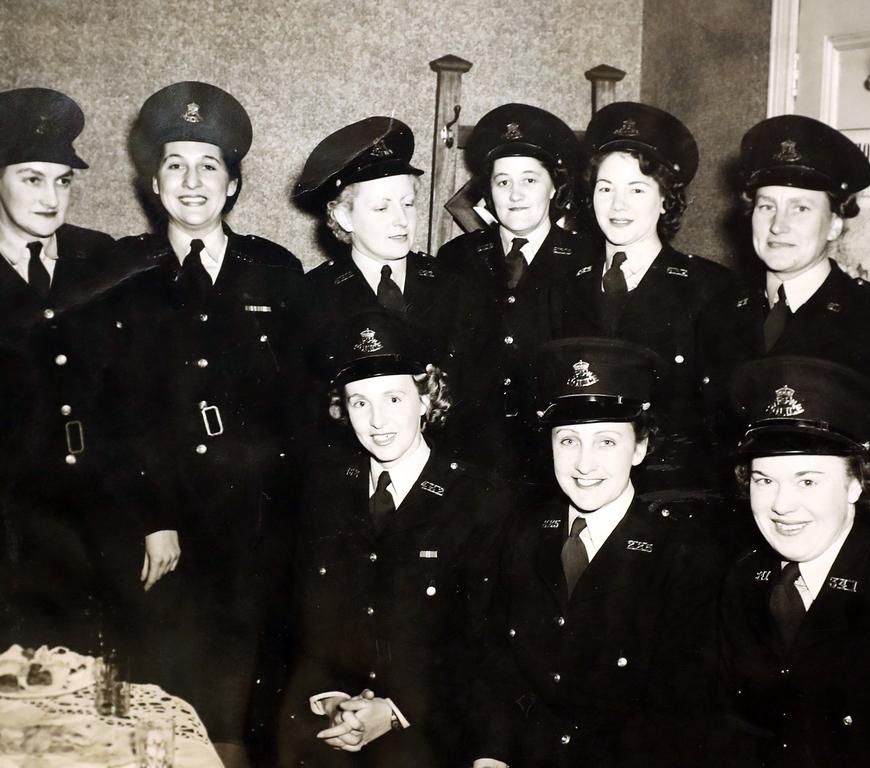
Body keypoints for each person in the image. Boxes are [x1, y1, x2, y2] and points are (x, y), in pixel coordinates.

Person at [104, 81, 306, 763]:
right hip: (166, 523)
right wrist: (151, 518)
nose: (192, 182)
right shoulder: (119, 273)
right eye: (175, 165)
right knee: (165, 695)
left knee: (254, 709)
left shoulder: (275, 272)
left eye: (209, 166)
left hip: (260, 521)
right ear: (154, 182)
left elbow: (299, 406)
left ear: (233, 184)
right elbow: (114, 413)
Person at [470, 337, 720, 768]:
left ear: (640, 448)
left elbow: (681, 712)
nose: (584, 464)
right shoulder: (521, 532)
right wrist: (492, 754)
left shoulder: (683, 556)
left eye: (606, 442)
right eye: (568, 441)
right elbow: (492, 664)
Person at [279, 309, 510, 768]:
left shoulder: (480, 499)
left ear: (426, 400)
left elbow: (488, 649)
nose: (377, 420)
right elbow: (302, 625)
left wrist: (394, 711)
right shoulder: (323, 490)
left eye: (394, 399)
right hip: (333, 722)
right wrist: (330, 699)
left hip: (435, 729)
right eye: (359, 402)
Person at [717, 356, 870, 768]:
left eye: (808, 481)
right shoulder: (743, 579)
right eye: (764, 481)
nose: (781, 505)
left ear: (856, 483)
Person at [553, 102, 731, 489]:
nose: (618, 205)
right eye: (605, 188)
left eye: (636, 189)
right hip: (581, 485)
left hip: (673, 494)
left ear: (666, 199)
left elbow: (720, 422)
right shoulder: (563, 284)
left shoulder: (710, 288)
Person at [699, 114, 870, 453]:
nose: (778, 226)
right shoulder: (716, 312)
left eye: (800, 209)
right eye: (766, 207)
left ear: (834, 224)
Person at [0, 87, 116, 651]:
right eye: (31, 178)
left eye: (63, 180)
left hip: (88, 513)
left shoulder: (99, 258)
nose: (51, 197)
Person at [295, 117, 488, 453]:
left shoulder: (455, 286)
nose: (402, 220)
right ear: (343, 217)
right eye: (382, 207)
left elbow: (477, 404)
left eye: (408, 204)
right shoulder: (312, 295)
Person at [436, 103, 588, 484]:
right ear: (488, 189)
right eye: (503, 182)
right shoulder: (458, 257)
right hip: (470, 453)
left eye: (530, 181)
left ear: (555, 185)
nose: (515, 195)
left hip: (552, 456)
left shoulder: (587, 258)